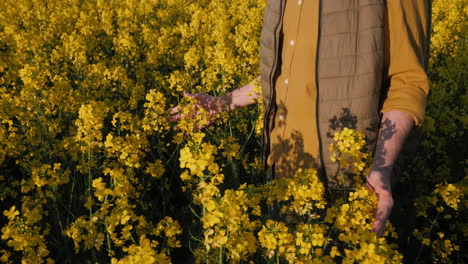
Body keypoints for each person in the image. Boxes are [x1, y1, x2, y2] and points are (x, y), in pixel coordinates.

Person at [170, 0, 431, 237]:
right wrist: (226, 101)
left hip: (344, 178)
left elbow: (408, 82)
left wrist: (382, 168)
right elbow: (287, 70)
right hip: (281, 164)